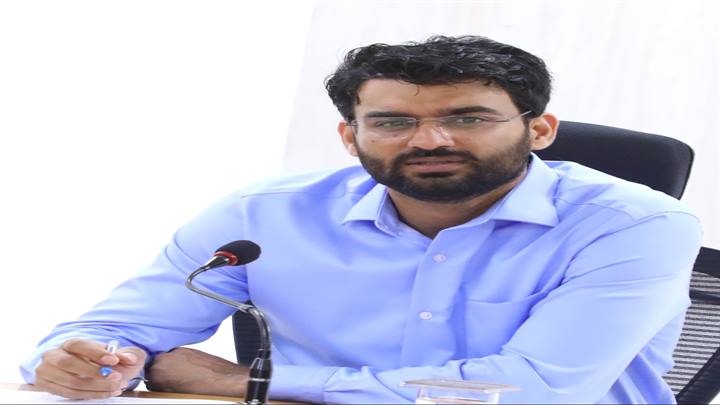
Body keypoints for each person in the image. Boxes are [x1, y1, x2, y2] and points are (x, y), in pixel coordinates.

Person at [21, 35, 701, 404]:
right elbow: (111, 331)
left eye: (467, 117)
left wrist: (248, 382)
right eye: (394, 122)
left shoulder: (635, 225)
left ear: (541, 129)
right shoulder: (264, 215)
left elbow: (534, 391)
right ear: (351, 137)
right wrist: (89, 360)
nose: (430, 140)